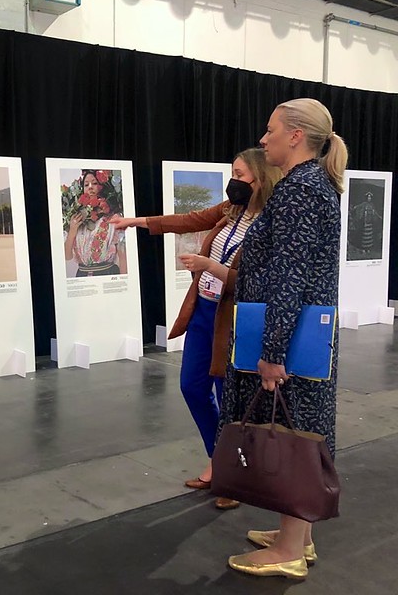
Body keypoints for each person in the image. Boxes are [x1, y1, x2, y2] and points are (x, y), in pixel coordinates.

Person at [219, 99, 348, 579]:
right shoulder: (310, 184)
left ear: (296, 135)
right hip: (299, 334)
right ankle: (300, 533)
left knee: (293, 433)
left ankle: (290, 549)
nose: (264, 137)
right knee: (300, 429)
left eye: (271, 129)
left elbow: (288, 276)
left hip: (289, 339)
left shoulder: (300, 189)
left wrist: (272, 352)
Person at [110, 148, 281, 510]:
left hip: (231, 321)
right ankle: (220, 460)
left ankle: (233, 474)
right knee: (192, 386)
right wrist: (135, 222)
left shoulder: (270, 223)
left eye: (239, 174)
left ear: (261, 179)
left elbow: (252, 282)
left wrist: (208, 265)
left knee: (228, 396)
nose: (232, 181)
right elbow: (187, 220)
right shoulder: (228, 211)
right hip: (204, 312)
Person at [64, 170, 127, 276]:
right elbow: (67, 256)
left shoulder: (114, 218)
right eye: (86, 184)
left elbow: (123, 256)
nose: (90, 187)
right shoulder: (76, 219)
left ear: (103, 186)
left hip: (107, 275)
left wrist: (124, 285)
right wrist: (72, 230)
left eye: (94, 183)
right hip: (83, 277)